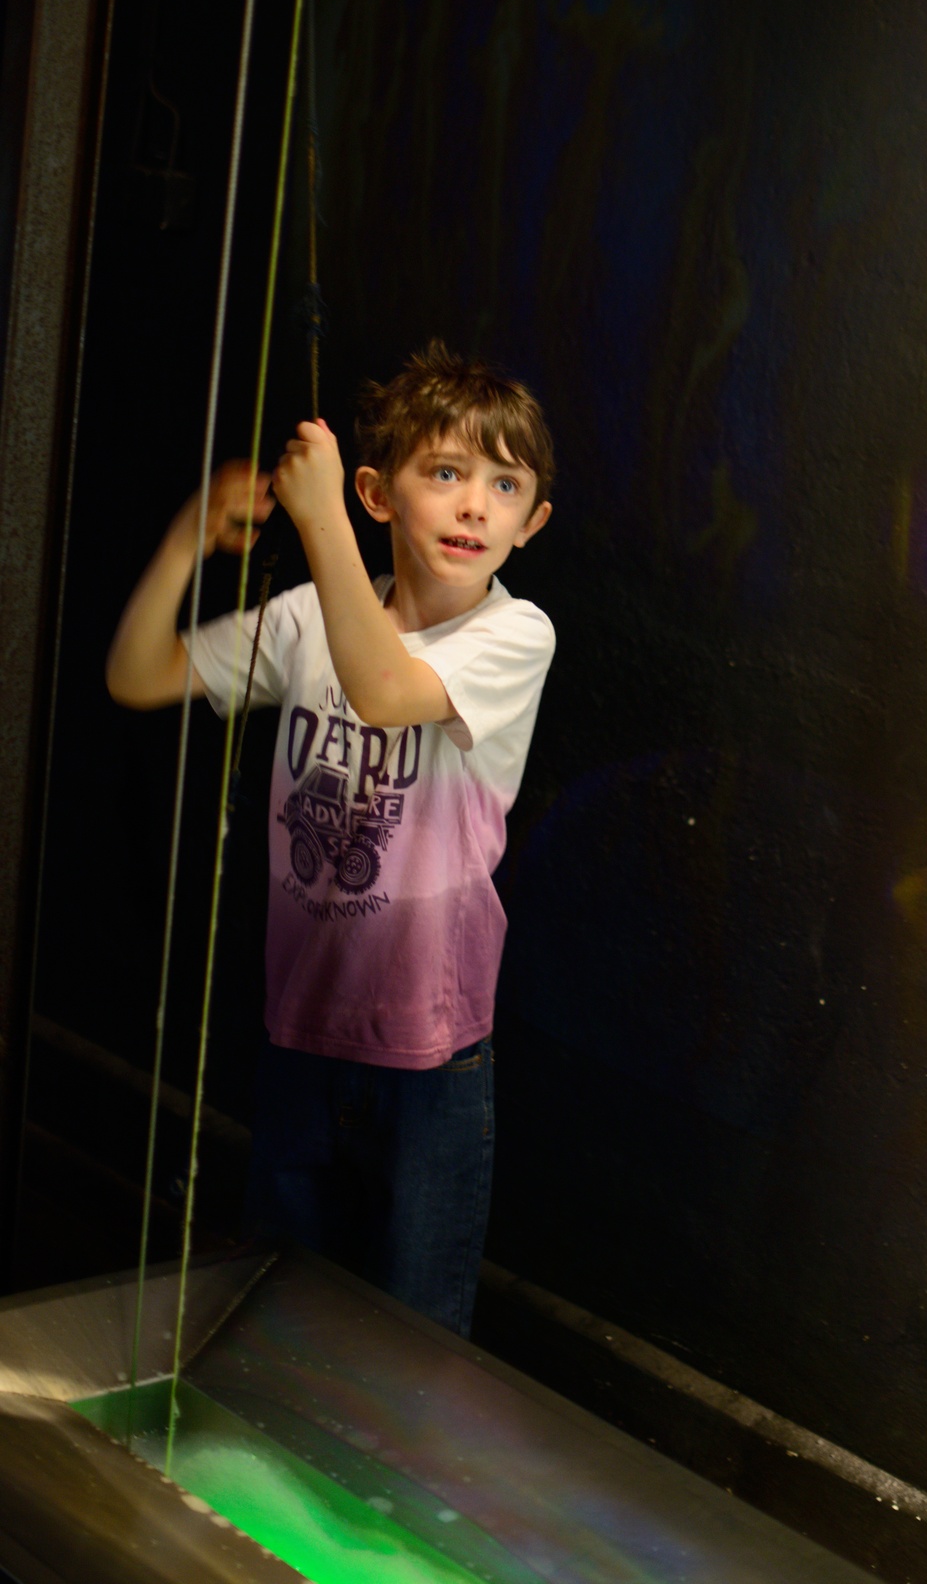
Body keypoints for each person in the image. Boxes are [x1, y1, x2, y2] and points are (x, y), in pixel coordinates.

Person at [106, 341, 555, 1335]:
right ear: (377, 492)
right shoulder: (310, 616)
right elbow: (137, 674)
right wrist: (188, 537)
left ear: (532, 522)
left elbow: (384, 689)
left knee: (411, 1343)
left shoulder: (514, 636)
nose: (475, 506)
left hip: (429, 1061)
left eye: (504, 485)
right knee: (276, 1322)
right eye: (445, 472)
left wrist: (319, 526)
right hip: (299, 1037)